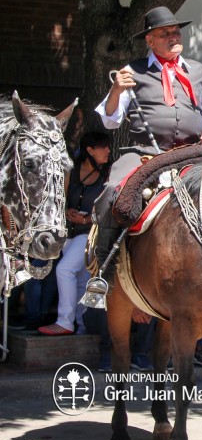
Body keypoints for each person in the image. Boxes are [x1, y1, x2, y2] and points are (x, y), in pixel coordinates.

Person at [82, 6, 202, 308]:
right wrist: (114, 91)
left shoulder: (199, 72)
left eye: (176, 32)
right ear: (149, 40)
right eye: (165, 33)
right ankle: (105, 272)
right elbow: (110, 119)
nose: (173, 37)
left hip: (193, 154)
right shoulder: (131, 71)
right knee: (113, 193)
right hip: (143, 154)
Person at [39, 132, 111, 335]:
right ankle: (83, 325)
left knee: (64, 270)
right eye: (103, 147)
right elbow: (59, 198)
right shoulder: (73, 170)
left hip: (91, 233)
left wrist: (87, 219)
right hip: (70, 233)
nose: (108, 151)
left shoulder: (109, 173)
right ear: (90, 150)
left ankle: (65, 321)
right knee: (80, 280)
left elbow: (110, 206)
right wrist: (66, 212)